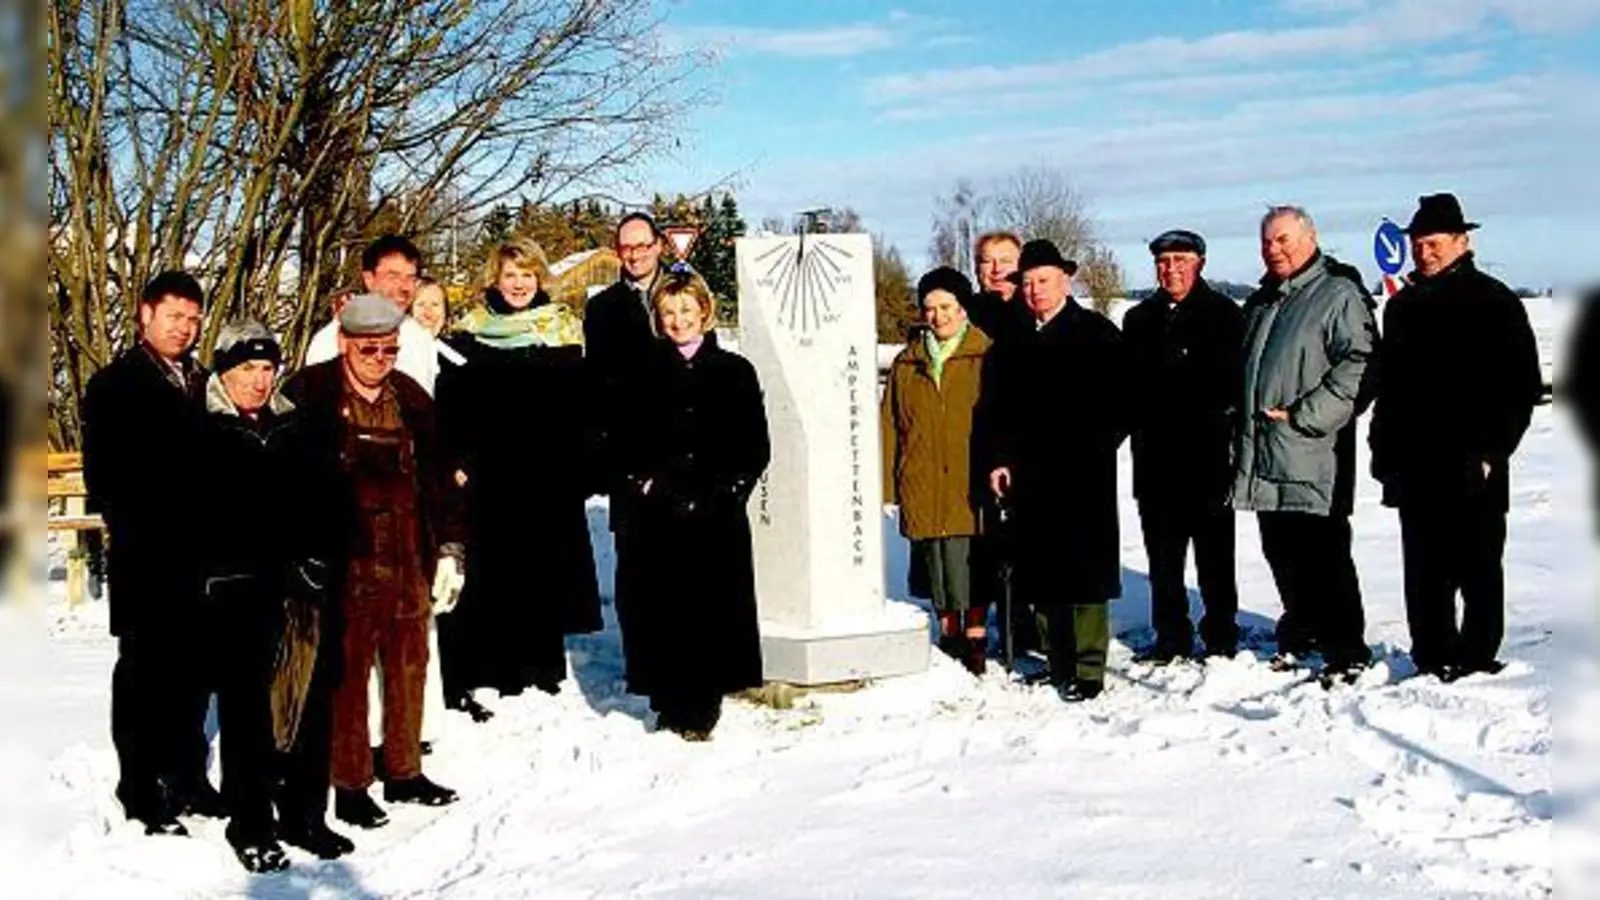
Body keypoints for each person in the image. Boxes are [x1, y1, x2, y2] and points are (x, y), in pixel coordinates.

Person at [281, 294, 464, 829]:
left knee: (410, 666)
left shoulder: (410, 398)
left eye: (389, 349)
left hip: (408, 554)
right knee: (347, 675)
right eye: (369, 349)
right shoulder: (309, 393)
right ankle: (350, 782)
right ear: (344, 343)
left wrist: (451, 549)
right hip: (346, 560)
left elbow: (442, 478)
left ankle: (405, 770)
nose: (379, 360)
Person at [196, 321, 354, 871]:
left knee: (310, 702)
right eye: (247, 369)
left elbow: (332, 499)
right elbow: (190, 517)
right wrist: (219, 573)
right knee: (248, 713)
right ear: (224, 372)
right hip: (236, 592)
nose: (260, 381)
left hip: (302, 589)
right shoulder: (201, 430)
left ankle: (305, 816)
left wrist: (321, 558)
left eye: (267, 368)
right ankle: (251, 823)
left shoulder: (296, 424)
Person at [1369, 194, 1542, 681]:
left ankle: (1477, 659)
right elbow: (1389, 387)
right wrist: (1383, 451)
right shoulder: (1402, 307)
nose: (1424, 253)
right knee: (1425, 570)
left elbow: (1521, 385)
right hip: (1413, 459)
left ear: (1462, 242)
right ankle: (1431, 656)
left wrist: (1492, 450)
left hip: (1471, 458)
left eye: (1435, 244)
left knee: (1477, 565)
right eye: (1418, 245)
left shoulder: (1494, 301)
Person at [434, 238, 602, 720]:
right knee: (496, 570)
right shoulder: (470, 333)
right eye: (510, 274)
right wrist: (458, 459)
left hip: (545, 472)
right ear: (495, 278)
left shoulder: (561, 330)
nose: (519, 284)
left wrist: (580, 463)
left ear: (540, 278)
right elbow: (453, 404)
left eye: (527, 274)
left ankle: (541, 665)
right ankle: (495, 665)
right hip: (489, 472)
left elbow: (581, 408)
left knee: (542, 567)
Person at [81, 270, 222, 835]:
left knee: (194, 673)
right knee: (145, 675)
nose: (184, 328)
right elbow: (105, 479)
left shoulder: (204, 381)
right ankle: (139, 787)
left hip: (203, 558)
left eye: (193, 319)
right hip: (148, 555)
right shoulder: (116, 385)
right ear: (145, 315)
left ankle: (188, 777)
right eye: (174, 316)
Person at [611, 267, 770, 740]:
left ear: (704, 311)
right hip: (656, 513)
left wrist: (726, 492)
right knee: (659, 610)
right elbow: (622, 437)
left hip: (713, 514)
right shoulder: (641, 370)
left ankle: (701, 706)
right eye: (668, 312)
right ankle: (667, 699)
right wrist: (641, 482)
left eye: (686, 310)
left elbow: (754, 445)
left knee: (708, 611)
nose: (678, 320)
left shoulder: (734, 371)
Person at [1231, 206, 1378, 684]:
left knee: (1324, 554)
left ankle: (1346, 648)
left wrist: (1307, 417)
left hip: (1313, 453)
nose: (1274, 249)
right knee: (1281, 551)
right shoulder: (1263, 302)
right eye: (1267, 242)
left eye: (1283, 239)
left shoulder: (1336, 295)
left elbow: (1359, 363)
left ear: (1311, 238)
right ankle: (1303, 634)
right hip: (1265, 451)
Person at [979, 240, 1130, 702]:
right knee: (1040, 567)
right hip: (1029, 473)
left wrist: (1096, 445)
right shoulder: (1012, 341)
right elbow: (995, 407)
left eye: (1043, 280)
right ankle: (1056, 658)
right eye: (1027, 283)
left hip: (1083, 473)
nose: (1035, 290)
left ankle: (1088, 666)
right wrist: (1000, 458)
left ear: (1065, 280)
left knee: (1083, 570)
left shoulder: (1097, 334)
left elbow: (1125, 400)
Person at [1123, 229, 1243, 663]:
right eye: (1163, 262)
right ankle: (1171, 634)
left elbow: (1235, 383)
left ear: (1200, 264)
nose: (1170, 269)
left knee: (1215, 557)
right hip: (1155, 460)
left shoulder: (1225, 315)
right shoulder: (1139, 319)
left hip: (1208, 458)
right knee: (1163, 559)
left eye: (1180, 260)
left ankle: (1221, 634)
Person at [880, 266, 993, 676]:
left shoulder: (986, 355)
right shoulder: (908, 362)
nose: (938, 316)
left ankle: (976, 633)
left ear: (963, 309)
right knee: (936, 560)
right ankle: (949, 630)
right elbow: (889, 425)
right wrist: (887, 487)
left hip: (971, 477)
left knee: (972, 558)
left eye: (946, 307)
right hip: (923, 475)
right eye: (930, 308)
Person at [304, 235, 442, 396]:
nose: (404, 287)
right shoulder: (332, 340)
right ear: (369, 279)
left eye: (411, 278)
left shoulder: (419, 337)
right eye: (393, 277)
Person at [963, 231, 1030, 346]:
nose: (997, 269)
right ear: (977, 268)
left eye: (1005, 261)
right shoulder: (961, 316)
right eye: (987, 262)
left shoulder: (1041, 312)